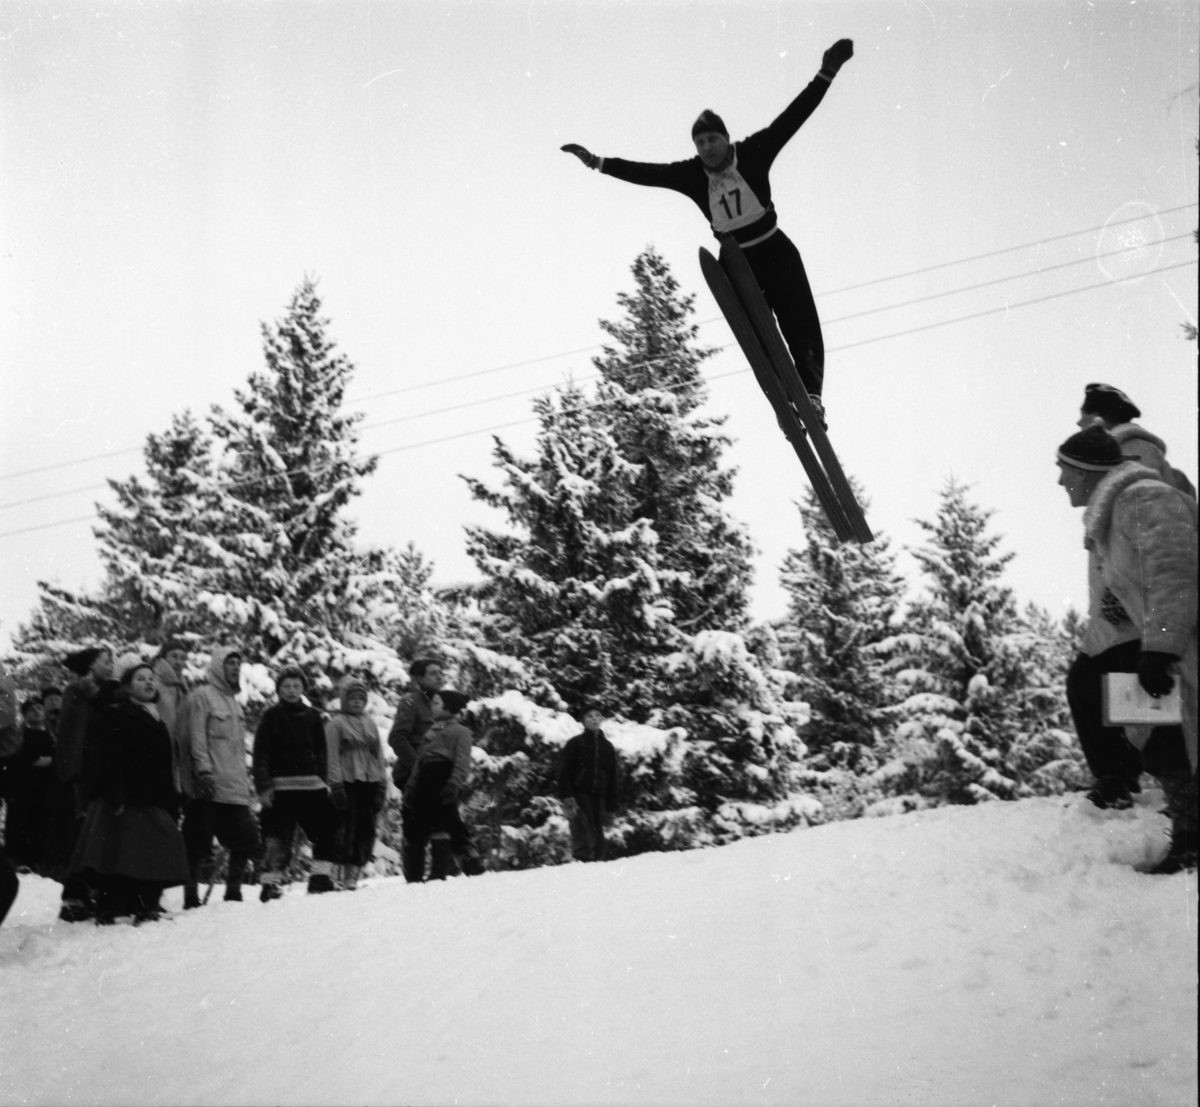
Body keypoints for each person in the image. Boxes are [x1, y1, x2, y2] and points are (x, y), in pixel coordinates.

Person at [561, 38, 855, 427]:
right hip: (738, 261)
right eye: (700, 143)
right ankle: (785, 393)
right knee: (759, 330)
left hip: (775, 251)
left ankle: (811, 395)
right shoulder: (690, 174)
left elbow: (793, 117)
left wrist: (826, 73)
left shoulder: (753, 151)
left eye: (712, 139)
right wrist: (598, 162)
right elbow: (647, 173)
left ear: (726, 139)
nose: (707, 148)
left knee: (800, 319)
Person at [1057, 425, 1198, 874]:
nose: (1061, 481)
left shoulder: (1145, 498)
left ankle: (1192, 841)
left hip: (1171, 641)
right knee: (1154, 736)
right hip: (1139, 639)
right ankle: (1189, 836)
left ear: (1087, 471)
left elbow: (1175, 570)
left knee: (1171, 737)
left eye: (1065, 471)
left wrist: (1160, 647)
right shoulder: (1112, 511)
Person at [69, 654, 189, 924]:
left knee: (136, 853)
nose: (148, 682)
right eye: (140, 678)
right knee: (117, 855)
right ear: (126, 686)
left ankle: (143, 908)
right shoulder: (117, 712)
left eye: (151, 678)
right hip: (124, 798)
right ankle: (110, 910)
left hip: (150, 797)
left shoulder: (155, 716)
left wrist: (172, 797)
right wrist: (114, 794)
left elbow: (162, 763)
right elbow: (108, 757)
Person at [180, 646, 261, 907]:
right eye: (230, 663)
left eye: (238, 664)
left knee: (246, 839)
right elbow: (197, 737)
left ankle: (233, 893)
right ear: (217, 666)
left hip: (234, 786)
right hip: (208, 784)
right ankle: (190, 897)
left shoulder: (235, 703)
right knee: (197, 842)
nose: (236, 668)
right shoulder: (202, 696)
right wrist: (202, 771)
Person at [252, 666, 340, 899]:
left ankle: (321, 878)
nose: (291, 691)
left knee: (325, 830)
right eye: (286, 686)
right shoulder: (271, 716)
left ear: (303, 688)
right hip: (281, 788)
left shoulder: (313, 717)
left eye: (296, 686)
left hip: (312, 787)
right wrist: (263, 786)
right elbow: (261, 754)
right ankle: (270, 884)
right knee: (277, 837)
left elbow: (322, 752)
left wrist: (323, 781)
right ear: (279, 689)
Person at [52, 647, 119, 922]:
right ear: (91, 665)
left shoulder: (106, 694)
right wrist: (72, 773)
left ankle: (86, 894)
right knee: (83, 833)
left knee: (95, 833)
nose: (111, 665)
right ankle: (73, 898)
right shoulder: (76, 691)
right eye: (106, 661)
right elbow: (70, 733)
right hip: (85, 775)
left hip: (102, 773)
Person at [401, 690, 483, 882]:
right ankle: (414, 875)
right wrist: (412, 786)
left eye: (436, 703)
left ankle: (439, 871)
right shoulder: (430, 732)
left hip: (442, 780)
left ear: (448, 707)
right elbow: (419, 763)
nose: (432, 706)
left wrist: (454, 784)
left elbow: (462, 762)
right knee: (416, 824)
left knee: (441, 822)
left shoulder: (460, 732)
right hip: (424, 782)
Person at [325, 675, 387, 891]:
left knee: (365, 828)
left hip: (369, 780)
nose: (358, 702)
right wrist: (336, 785)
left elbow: (378, 755)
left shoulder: (369, 722)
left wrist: (381, 785)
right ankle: (338, 875)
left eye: (361, 698)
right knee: (345, 828)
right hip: (346, 780)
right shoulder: (335, 723)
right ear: (344, 699)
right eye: (353, 698)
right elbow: (331, 756)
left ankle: (353, 875)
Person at [556, 705, 621, 862]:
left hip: (599, 797)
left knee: (598, 839)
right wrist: (567, 797)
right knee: (582, 834)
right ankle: (582, 867)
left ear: (602, 719)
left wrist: (611, 807)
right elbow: (563, 771)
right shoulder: (575, 743)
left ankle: (597, 870)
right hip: (579, 795)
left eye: (598, 715)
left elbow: (612, 777)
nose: (594, 718)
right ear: (583, 721)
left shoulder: (608, 747)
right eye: (590, 716)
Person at [4, 699, 56, 873]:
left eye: (39, 708)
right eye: (31, 709)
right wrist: (33, 760)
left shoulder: (52, 734)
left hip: (45, 787)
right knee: (19, 825)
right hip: (22, 788)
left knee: (40, 824)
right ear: (24, 715)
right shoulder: (19, 735)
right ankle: (17, 860)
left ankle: (35, 860)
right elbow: (11, 758)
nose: (36, 711)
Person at [388, 658, 445, 790]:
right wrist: (417, 767)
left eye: (441, 673)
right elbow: (397, 738)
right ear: (420, 679)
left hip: (438, 773)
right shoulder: (411, 702)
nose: (439, 677)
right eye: (433, 673)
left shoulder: (443, 705)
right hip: (413, 776)